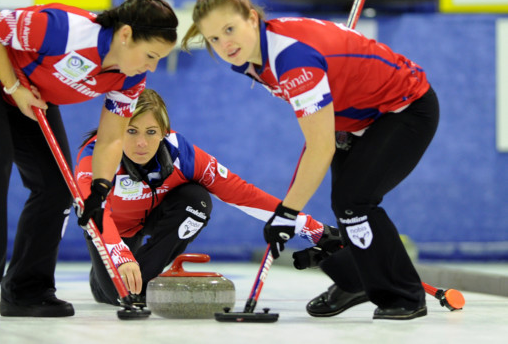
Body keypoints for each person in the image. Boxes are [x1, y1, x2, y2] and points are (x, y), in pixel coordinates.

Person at [181, 0, 439, 320]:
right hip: (355, 116)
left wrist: (287, 214)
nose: (224, 44)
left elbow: (320, 148)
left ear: (252, 18)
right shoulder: (252, 57)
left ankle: (404, 296)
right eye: (213, 39)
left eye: (229, 29)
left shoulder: (293, 59)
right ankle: (357, 280)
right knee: (346, 203)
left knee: (354, 201)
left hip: (404, 109)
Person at [0, 0, 178, 320]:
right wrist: (12, 86)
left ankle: (26, 291)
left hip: (30, 96)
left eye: (159, 59)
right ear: (125, 35)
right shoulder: (66, 30)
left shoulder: (130, 77)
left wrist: (100, 189)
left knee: (56, 185)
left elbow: (110, 137)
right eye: (150, 55)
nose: (151, 67)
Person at [75, 88, 341, 304]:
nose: (141, 143)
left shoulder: (183, 154)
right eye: (131, 131)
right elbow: (95, 212)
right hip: (107, 227)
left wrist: (312, 229)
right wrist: (119, 253)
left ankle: (139, 278)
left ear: (164, 133)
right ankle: (107, 280)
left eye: (151, 132)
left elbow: (242, 194)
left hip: (154, 217)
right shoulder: (94, 155)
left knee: (196, 201)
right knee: (111, 293)